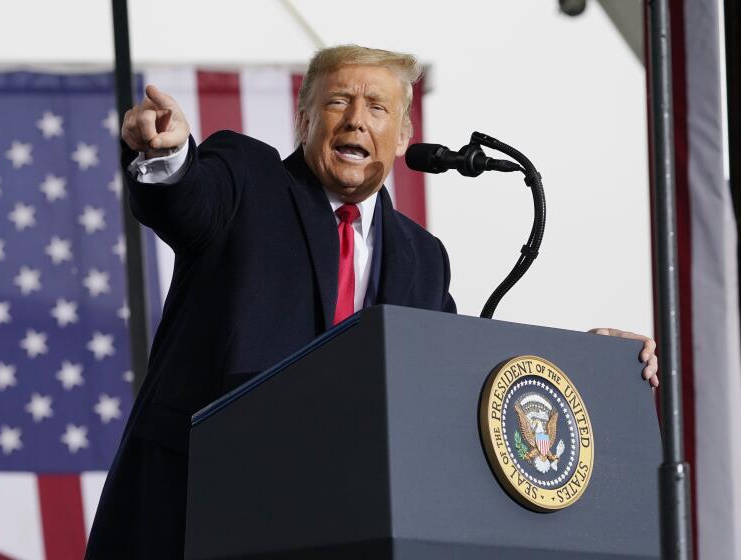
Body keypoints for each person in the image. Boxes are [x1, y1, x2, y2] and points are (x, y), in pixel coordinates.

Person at [85, 45, 658, 558]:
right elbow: (187, 200)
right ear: (305, 119)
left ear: (404, 135)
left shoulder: (422, 256)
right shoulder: (246, 176)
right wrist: (168, 157)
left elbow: (455, 381)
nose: (356, 119)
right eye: (339, 101)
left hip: (341, 520)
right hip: (199, 507)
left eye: (378, 108)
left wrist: (589, 367)